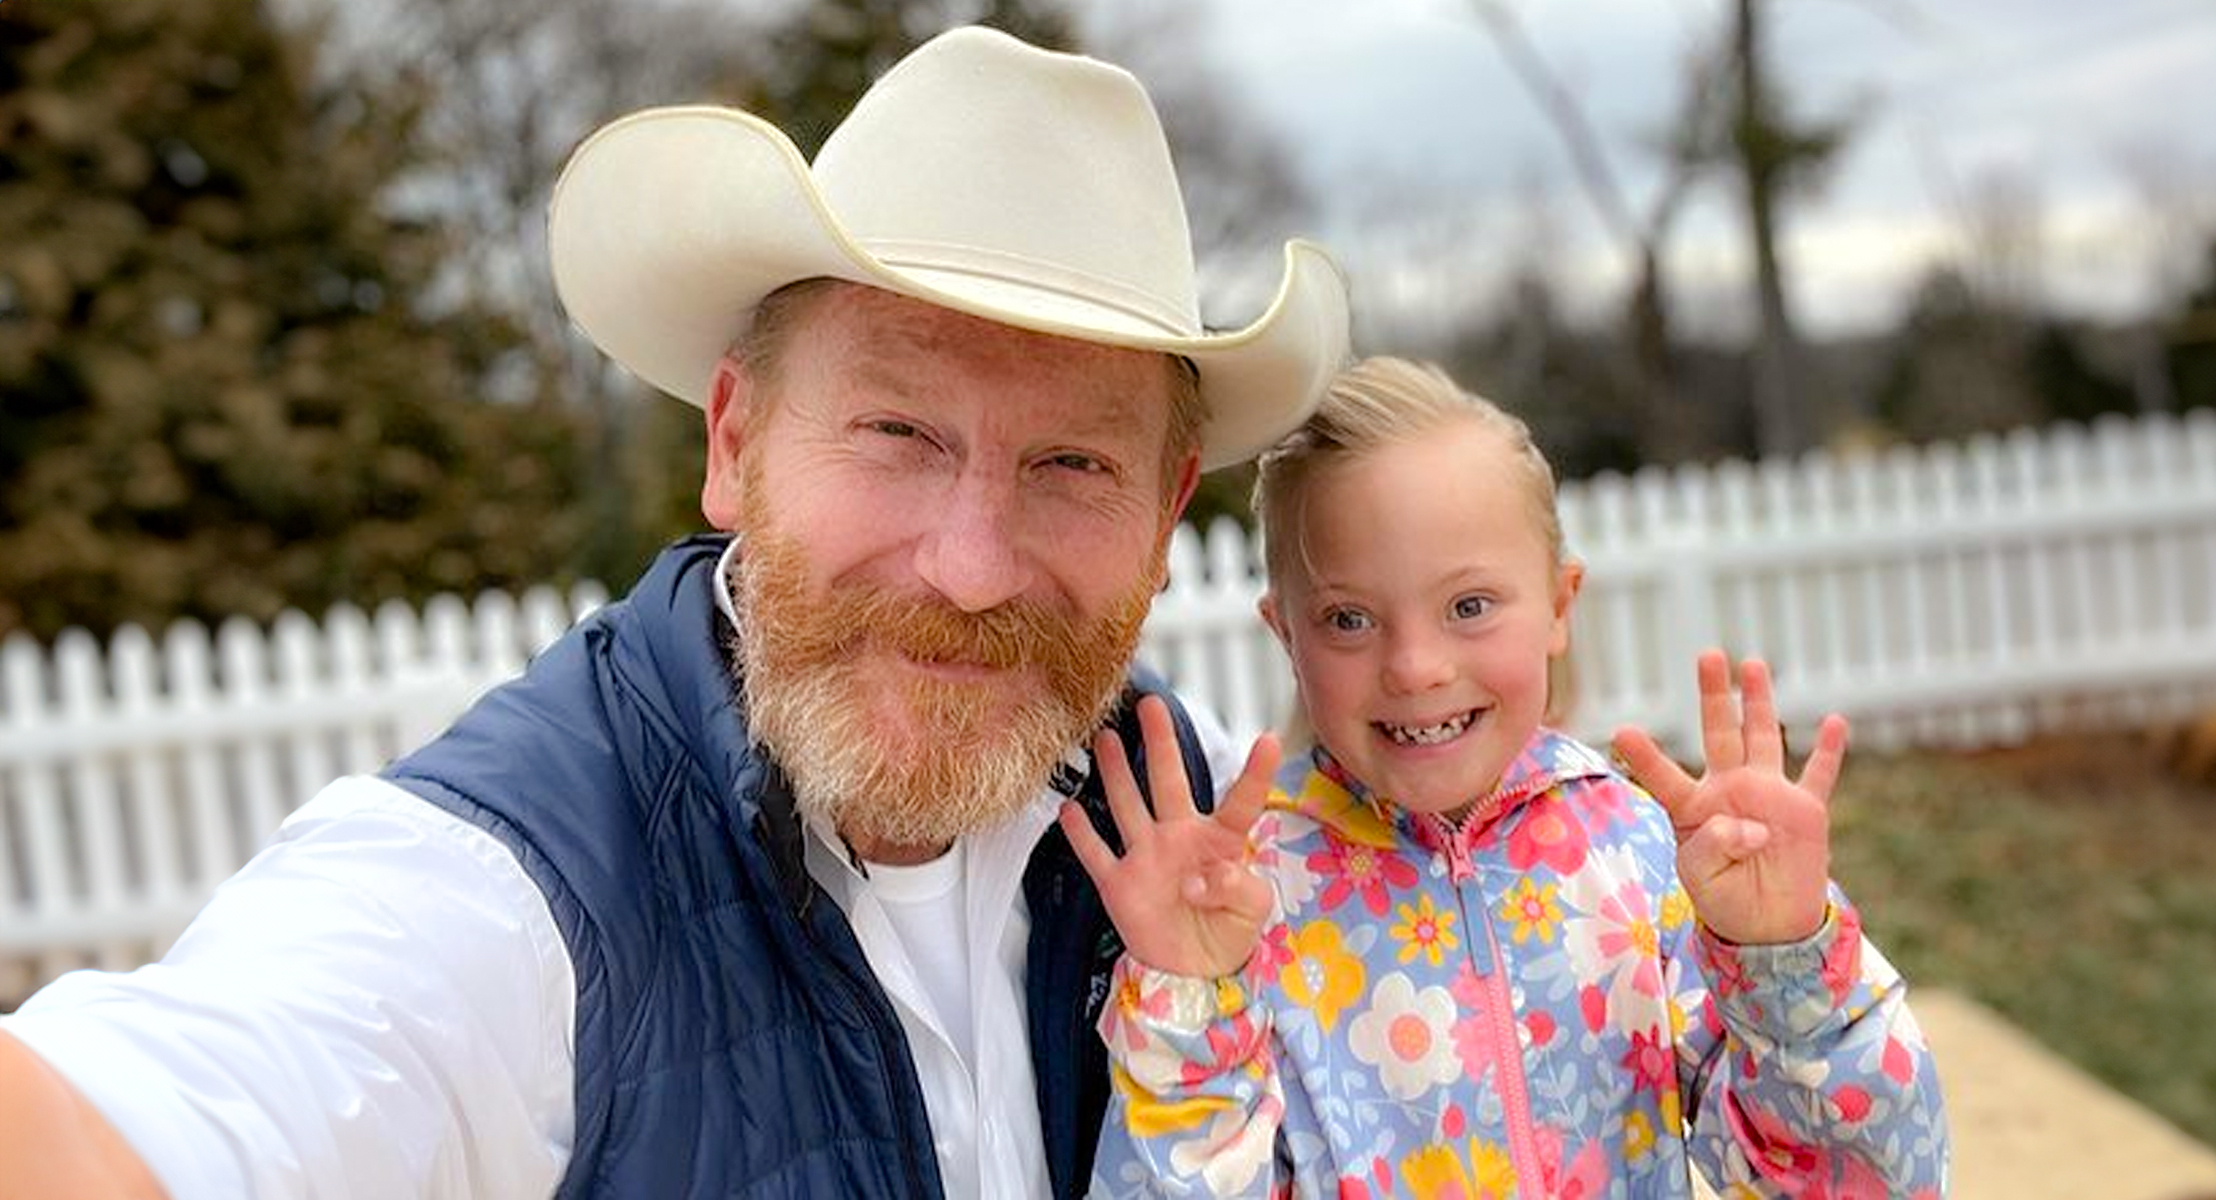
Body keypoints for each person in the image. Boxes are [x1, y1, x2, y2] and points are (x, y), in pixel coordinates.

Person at [0, 25, 1350, 1199]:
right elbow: (161, 1120)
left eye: (1073, 465)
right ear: (734, 440)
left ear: (1167, 518)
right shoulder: (513, 892)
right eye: (895, 430)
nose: (974, 567)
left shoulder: (1220, 815)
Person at [1062, 357, 1949, 1197]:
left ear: (1561, 606)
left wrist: (1785, 961)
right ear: (1285, 633)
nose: (1415, 666)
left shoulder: (1636, 860)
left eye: (1469, 606)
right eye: (1348, 618)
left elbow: (1860, 1179)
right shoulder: (1249, 908)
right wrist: (1189, 1008)